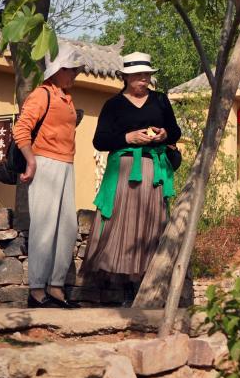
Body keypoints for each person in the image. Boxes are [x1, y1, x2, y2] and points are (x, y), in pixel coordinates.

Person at [81, 52, 181, 305]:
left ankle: (147, 282)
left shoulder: (160, 100)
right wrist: (128, 138)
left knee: (152, 222)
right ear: (125, 77)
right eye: (138, 75)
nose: (144, 80)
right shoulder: (113, 105)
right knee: (122, 222)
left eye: (147, 75)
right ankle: (124, 284)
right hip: (124, 172)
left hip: (153, 170)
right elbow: (100, 140)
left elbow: (175, 132)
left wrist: (163, 134)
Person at [13, 40, 84, 309]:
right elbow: (21, 129)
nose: (75, 75)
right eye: (71, 70)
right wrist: (30, 162)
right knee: (44, 227)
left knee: (66, 228)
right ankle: (36, 290)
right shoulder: (42, 94)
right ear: (57, 70)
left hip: (66, 165)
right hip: (45, 164)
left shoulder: (65, 97)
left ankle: (55, 287)